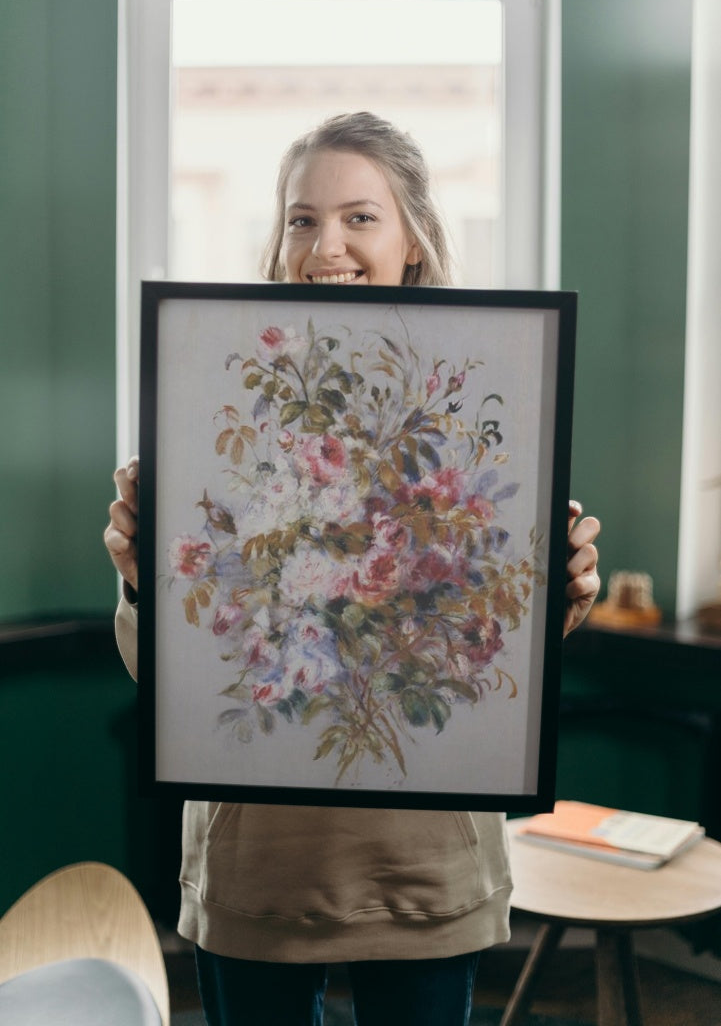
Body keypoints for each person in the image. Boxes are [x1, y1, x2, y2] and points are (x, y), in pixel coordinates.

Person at [105, 112, 601, 1026]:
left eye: (358, 217)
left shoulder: (484, 393)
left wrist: (558, 595)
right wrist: (143, 583)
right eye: (301, 218)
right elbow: (171, 673)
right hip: (258, 865)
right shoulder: (213, 392)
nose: (324, 243)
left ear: (412, 237)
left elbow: (490, 665)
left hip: (423, 865)